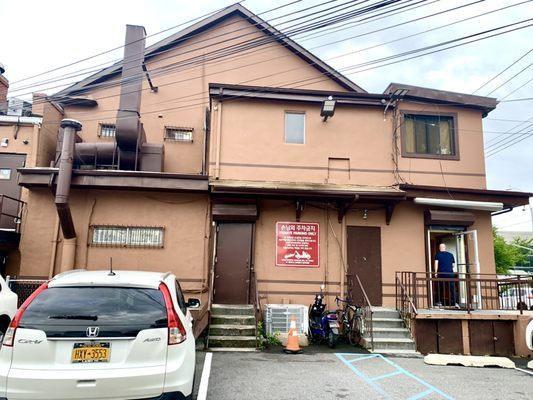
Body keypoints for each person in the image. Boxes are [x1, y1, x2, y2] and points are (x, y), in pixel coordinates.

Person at [434, 243, 459, 308]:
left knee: (440, 288)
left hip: (441, 273)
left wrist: (436, 272)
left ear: (440, 248)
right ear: (445, 248)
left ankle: (440, 302)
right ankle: (455, 303)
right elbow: (453, 265)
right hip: (450, 273)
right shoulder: (451, 255)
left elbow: (436, 264)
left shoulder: (437, 255)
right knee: (452, 288)